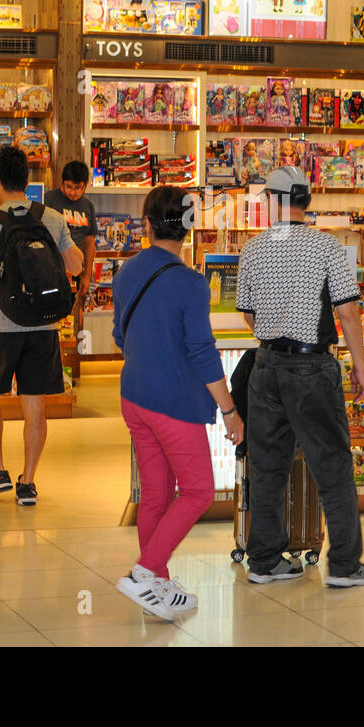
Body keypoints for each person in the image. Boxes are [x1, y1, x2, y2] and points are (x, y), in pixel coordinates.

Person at [235, 166, 364, 588]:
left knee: (267, 467)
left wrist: (273, 326)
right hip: (312, 368)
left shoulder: (254, 248)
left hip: (266, 367)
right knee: (331, 465)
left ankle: (264, 560)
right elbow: (348, 312)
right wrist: (360, 365)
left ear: (272, 202)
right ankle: (346, 566)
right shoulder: (327, 247)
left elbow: (248, 314)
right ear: (306, 201)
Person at [111, 186, 243, 620]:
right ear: (189, 227)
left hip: (134, 396)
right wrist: (229, 410)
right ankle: (146, 572)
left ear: (146, 225)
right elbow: (203, 352)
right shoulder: (191, 283)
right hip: (173, 405)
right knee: (200, 490)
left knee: (155, 494)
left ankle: (158, 584)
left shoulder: (127, 271)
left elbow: (118, 335)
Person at [0, 146, 82, 505]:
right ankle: (28, 482)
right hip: (44, 326)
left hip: (0, 325)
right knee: (34, 407)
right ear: (27, 179)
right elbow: (76, 265)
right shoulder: (52, 216)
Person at [44, 160, 99, 347]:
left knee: (68, 321)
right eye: (69, 187)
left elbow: (89, 243)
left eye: (78, 188)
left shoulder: (88, 206)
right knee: (48, 318)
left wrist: (87, 275)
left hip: (75, 272)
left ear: (85, 186)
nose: (73, 192)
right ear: (62, 183)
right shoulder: (49, 199)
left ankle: (67, 364)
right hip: (49, 271)